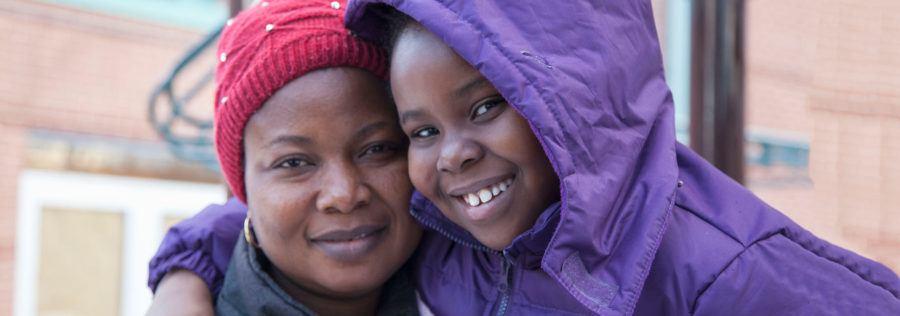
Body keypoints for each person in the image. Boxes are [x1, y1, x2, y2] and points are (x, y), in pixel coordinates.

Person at [150, 0, 900, 315]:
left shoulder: (722, 268)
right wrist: (180, 281)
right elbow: (241, 231)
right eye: (419, 132)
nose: (345, 193)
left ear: (564, 97)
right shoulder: (451, 241)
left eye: (485, 106)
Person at [146, 1, 423, 315]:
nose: (343, 194)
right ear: (245, 188)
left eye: (377, 149)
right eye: (294, 163)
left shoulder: (468, 279)